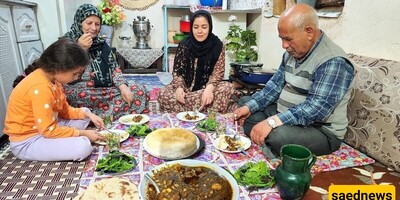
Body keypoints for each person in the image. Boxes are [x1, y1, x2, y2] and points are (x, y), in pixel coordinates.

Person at [234, 4, 355, 158]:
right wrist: (250, 107)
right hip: (286, 115)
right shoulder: (292, 53)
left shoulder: (333, 61)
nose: (284, 45)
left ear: (309, 32)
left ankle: (271, 145)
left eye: (288, 39)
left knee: (278, 136)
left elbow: (316, 109)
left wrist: (272, 123)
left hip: (319, 130)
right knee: (246, 105)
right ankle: (269, 143)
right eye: (282, 39)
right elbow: (274, 86)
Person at [3, 38, 105, 161]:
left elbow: (65, 111)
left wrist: (89, 115)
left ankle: (68, 135)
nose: (77, 77)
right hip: (28, 141)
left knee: (85, 111)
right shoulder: (40, 88)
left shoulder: (54, 80)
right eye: (75, 74)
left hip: (45, 128)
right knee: (83, 147)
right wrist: (83, 134)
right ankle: (71, 137)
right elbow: (48, 131)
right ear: (58, 69)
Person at [63, 4, 149, 119]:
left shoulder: (101, 44)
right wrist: (81, 49)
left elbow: (114, 68)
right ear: (79, 23)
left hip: (105, 88)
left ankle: (94, 117)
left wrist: (123, 87)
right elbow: (65, 75)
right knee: (72, 97)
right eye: (89, 23)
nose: (93, 28)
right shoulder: (66, 43)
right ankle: (92, 116)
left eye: (97, 24)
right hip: (81, 90)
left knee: (139, 90)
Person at [157, 10, 237, 113]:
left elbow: (218, 72)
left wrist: (209, 89)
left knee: (227, 87)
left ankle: (186, 108)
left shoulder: (217, 45)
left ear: (210, 27)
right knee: (163, 94)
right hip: (186, 88)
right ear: (191, 28)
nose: (199, 31)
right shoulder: (184, 45)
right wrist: (179, 88)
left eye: (204, 27)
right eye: (196, 27)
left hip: (206, 88)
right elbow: (177, 72)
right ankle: (205, 108)